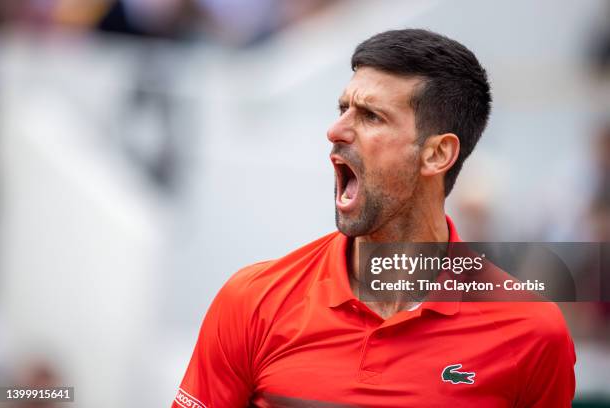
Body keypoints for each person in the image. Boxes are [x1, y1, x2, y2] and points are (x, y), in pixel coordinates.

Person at [172, 29, 575, 407]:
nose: (335, 130)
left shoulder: (531, 332)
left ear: (437, 154)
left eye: (370, 117)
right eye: (343, 108)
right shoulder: (253, 300)